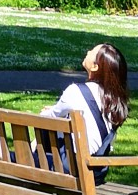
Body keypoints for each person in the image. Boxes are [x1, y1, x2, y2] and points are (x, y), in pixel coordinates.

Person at [43, 43, 129, 184]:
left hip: (69, 170)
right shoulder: (115, 102)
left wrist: (47, 111)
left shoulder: (75, 91)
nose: (88, 51)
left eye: (92, 51)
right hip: (96, 174)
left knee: (17, 157)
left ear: (95, 67)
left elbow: (48, 118)